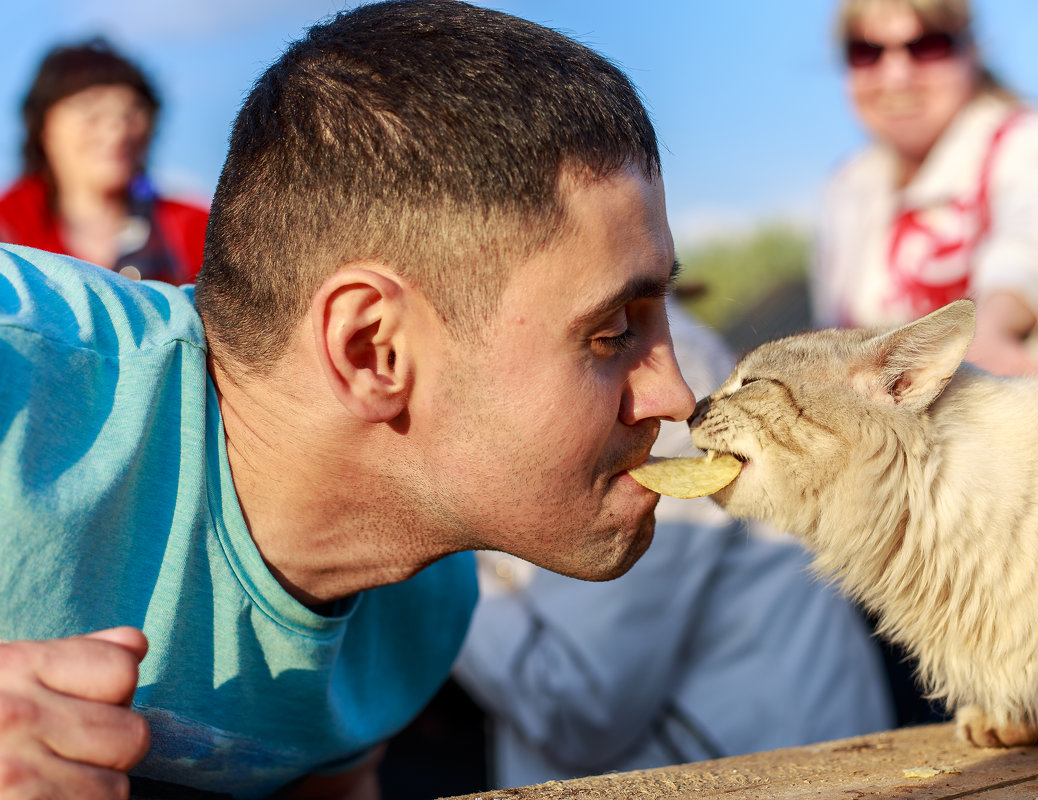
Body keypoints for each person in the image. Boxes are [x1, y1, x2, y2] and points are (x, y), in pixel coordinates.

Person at [0, 2, 697, 797]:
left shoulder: (424, 606)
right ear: (372, 349)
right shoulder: (19, 361)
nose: (675, 395)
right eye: (612, 332)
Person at [453, 297, 895, 789]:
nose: (683, 403)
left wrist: (437, 560)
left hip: (770, 776)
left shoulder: (637, 390)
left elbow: (584, 702)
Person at [813, 0, 1038, 377]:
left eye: (927, 46)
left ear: (971, 50)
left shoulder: (1031, 139)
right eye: (866, 52)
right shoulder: (847, 186)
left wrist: (991, 328)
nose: (895, 76)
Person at [0, 38, 208, 284]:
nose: (116, 131)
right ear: (44, 127)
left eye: (132, 112)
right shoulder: (7, 226)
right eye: (91, 111)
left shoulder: (198, 232)